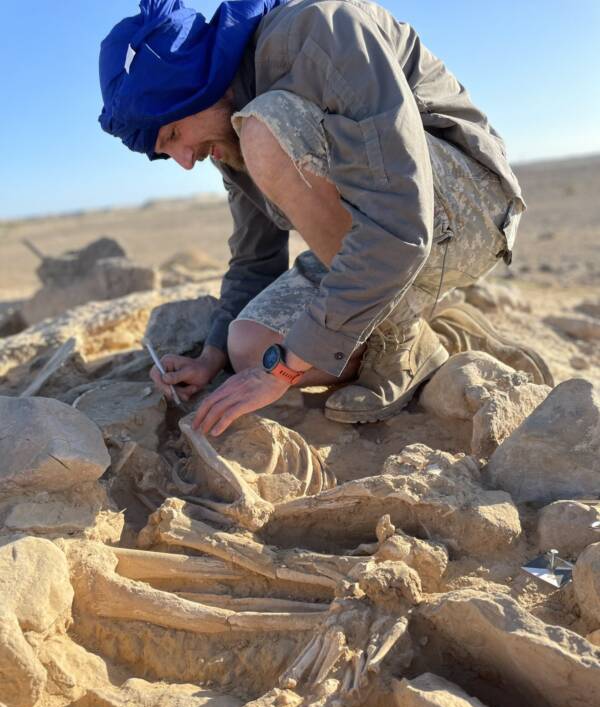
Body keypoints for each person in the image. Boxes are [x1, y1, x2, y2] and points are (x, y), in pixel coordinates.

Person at [99, 0, 549, 437]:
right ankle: (413, 328)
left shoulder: (320, 30)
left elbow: (401, 218)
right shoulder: (224, 126)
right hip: (377, 237)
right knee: (249, 347)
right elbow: (256, 258)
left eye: (174, 134)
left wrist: (285, 369)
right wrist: (212, 356)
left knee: (263, 129)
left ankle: (399, 340)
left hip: (464, 213)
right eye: (165, 152)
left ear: (200, 81)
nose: (183, 160)